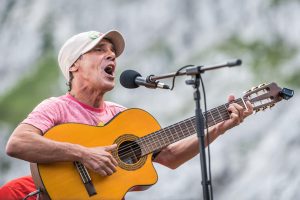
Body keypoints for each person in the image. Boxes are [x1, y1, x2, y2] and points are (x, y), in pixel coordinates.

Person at [0, 30, 253, 199]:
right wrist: (83, 153)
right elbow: (18, 143)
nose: (111, 55)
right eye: (99, 49)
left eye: (112, 51)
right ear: (74, 65)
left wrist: (220, 127)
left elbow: (171, 156)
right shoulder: (56, 107)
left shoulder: (123, 117)